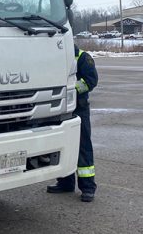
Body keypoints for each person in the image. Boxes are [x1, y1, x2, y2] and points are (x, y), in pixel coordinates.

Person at [47, 44, 98, 202]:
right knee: (63, 146)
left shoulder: (83, 57)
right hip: (59, 109)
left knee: (82, 147)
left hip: (78, 109)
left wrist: (70, 90)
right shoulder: (55, 57)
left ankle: (88, 187)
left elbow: (91, 81)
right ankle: (65, 182)